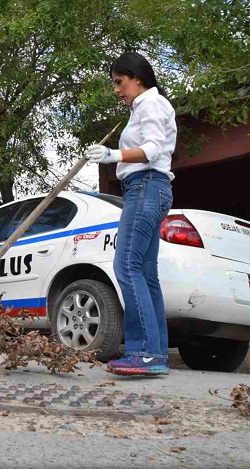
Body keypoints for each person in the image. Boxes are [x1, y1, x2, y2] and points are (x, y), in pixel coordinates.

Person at [85, 51, 177, 376]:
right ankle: (156, 354)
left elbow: (151, 150)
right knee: (146, 275)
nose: (116, 90)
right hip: (152, 188)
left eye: (119, 82)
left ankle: (144, 353)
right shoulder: (150, 105)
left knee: (126, 266)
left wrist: (112, 154)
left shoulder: (150, 103)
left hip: (145, 186)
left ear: (138, 78)